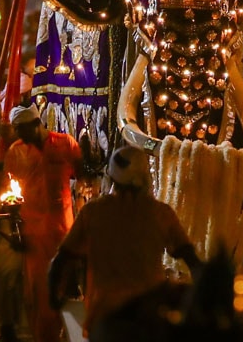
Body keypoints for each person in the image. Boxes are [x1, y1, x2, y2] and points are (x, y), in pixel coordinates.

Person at [49, 146, 199, 340]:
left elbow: (61, 260)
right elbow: (192, 260)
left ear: (111, 179)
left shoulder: (93, 212)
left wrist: (55, 298)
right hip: (149, 319)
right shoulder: (160, 213)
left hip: (104, 318)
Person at [4, 103, 83, 342]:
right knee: (38, 291)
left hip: (63, 230)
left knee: (67, 286)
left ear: (36, 124)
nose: (18, 134)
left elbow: (82, 176)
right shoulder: (15, 151)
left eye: (21, 129)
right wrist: (14, 231)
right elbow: (9, 195)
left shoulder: (65, 143)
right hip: (33, 233)